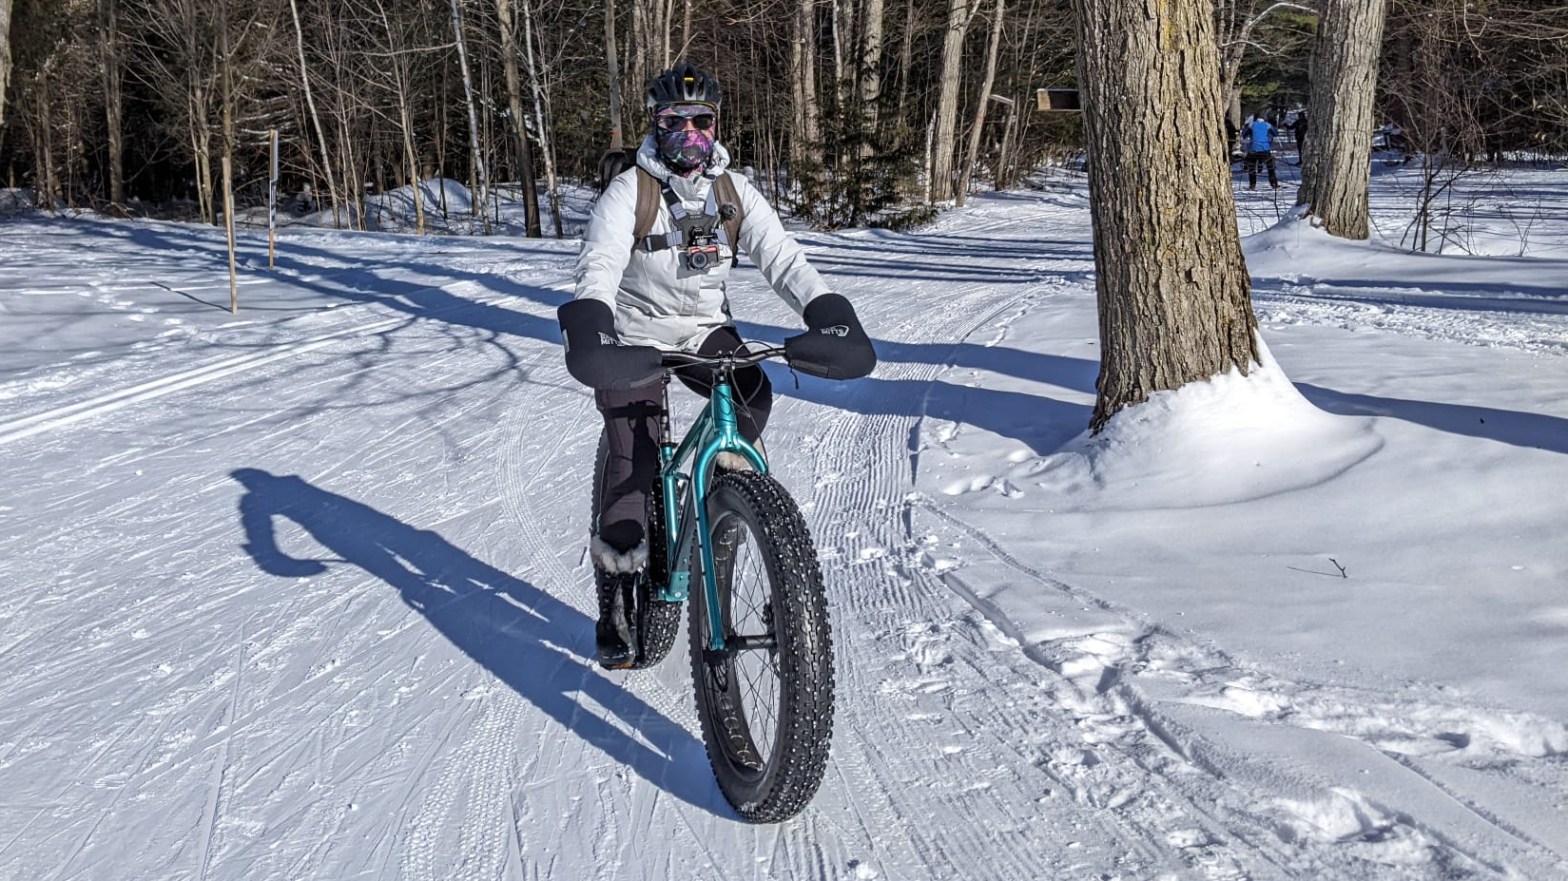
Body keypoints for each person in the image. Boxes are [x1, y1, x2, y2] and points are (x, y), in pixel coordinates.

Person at [557, 63, 877, 669]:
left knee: (753, 392)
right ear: (655, 125)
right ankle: (618, 597)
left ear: (717, 125)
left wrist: (827, 312)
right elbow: (598, 263)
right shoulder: (630, 191)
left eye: (701, 121)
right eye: (673, 121)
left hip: (704, 330)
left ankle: (728, 507)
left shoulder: (734, 191)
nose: (689, 134)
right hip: (634, 335)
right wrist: (593, 325)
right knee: (633, 459)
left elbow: (785, 260)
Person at [1243, 114, 1280, 190]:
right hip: (1265, 149)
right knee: (1270, 167)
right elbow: (1276, 133)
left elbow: (1244, 135)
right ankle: (1274, 184)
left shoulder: (1251, 125)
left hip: (1253, 149)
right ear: (1264, 119)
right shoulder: (1267, 125)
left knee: (1252, 167)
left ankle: (1252, 185)